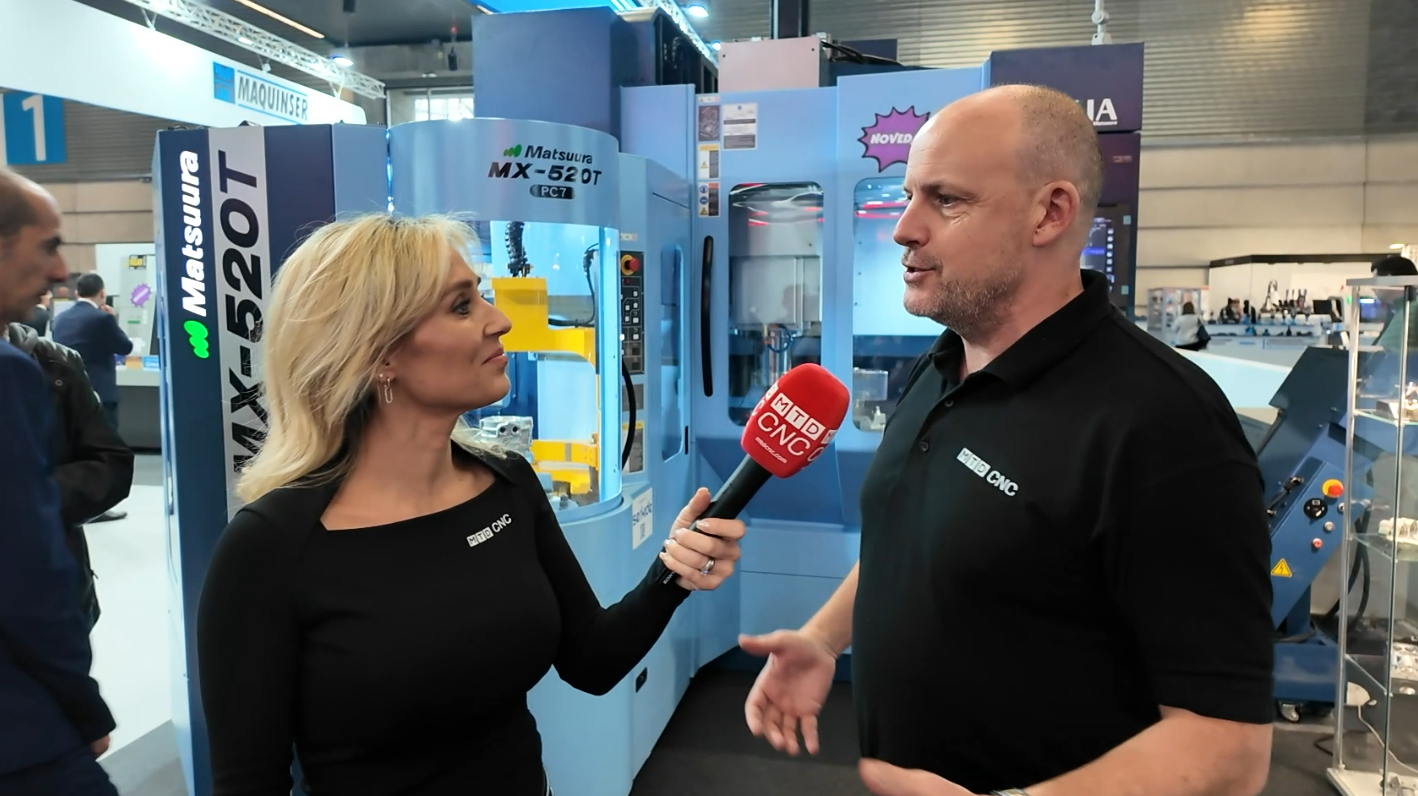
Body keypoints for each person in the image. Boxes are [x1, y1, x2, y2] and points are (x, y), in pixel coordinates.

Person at [739, 85, 1274, 796]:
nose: (903, 228)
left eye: (946, 200)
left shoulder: (1164, 424)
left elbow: (1229, 748)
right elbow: (917, 538)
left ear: (1049, 212)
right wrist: (823, 637)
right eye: (908, 195)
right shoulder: (941, 365)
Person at [196, 214, 746, 796]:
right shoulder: (269, 547)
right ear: (379, 353)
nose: (500, 320)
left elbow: (592, 660)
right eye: (462, 306)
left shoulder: (507, 484)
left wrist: (673, 571)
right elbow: (248, 782)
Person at [0, 166, 117, 795]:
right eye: (47, 246)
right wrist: (82, 704)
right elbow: (25, 573)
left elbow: (108, 462)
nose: (59, 270)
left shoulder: (52, 362)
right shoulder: (10, 373)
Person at [6, 320, 135, 629]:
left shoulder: (57, 363)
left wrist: (30, 499)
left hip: (49, 590)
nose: (42, 298)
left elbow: (111, 463)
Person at [52, 272, 133, 434]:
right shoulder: (103, 319)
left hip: (69, 392)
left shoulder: (60, 318)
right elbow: (125, 347)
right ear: (102, 293)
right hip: (99, 391)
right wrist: (113, 319)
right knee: (105, 439)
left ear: (77, 293)